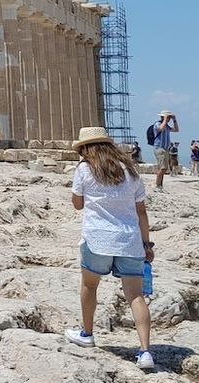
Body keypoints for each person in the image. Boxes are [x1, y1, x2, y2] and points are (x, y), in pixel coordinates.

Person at [63, 126, 156, 370]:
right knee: (136, 296)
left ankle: (87, 334)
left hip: (97, 239)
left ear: (85, 149)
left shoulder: (84, 169)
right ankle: (145, 352)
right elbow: (142, 211)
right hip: (129, 240)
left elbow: (77, 205)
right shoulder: (131, 171)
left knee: (89, 285)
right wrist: (147, 244)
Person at [150, 111, 178, 190]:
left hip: (165, 149)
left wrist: (174, 120)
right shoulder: (157, 124)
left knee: (163, 168)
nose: (169, 119)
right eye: (168, 117)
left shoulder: (167, 126)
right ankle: (157, 184)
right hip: (159, 148)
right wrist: (165, 119)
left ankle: (160, 185)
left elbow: (176, 130)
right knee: (163, 168)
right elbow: (160, 129)